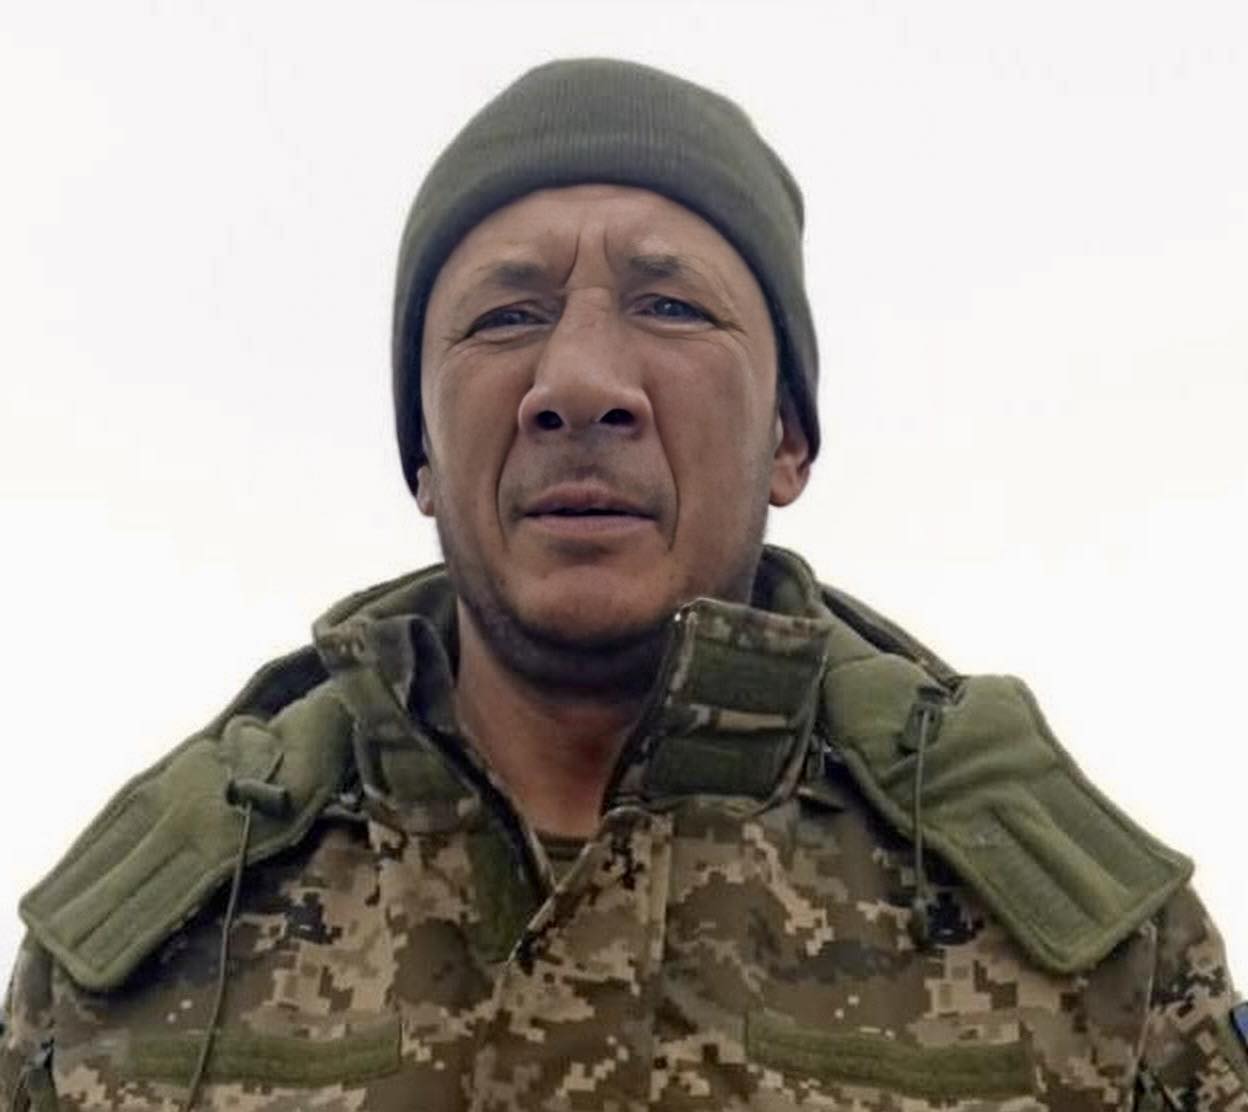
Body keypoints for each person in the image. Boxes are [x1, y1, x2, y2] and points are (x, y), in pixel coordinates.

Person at [2, 57, 1244, 1112]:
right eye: (505, 317)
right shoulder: (149, 947)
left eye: (669, 304)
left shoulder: (1087, 948)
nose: (580, 380)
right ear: (422, 454)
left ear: (787, 438)